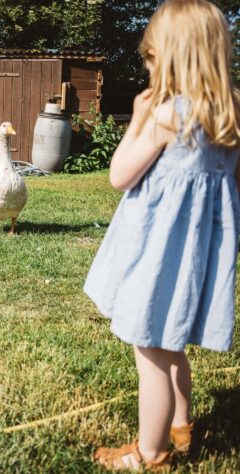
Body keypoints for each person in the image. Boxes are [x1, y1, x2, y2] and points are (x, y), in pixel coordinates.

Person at [83, 0, 240, 470]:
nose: (147, 68)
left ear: (171, 57)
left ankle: (150, 453)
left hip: (156, 252)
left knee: (149, 349)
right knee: (172, 343)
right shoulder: (230, 112)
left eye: (150, 59)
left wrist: (137, 118)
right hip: (195, 254)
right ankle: (182, 425)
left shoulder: (169, 114)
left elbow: (120, 176)